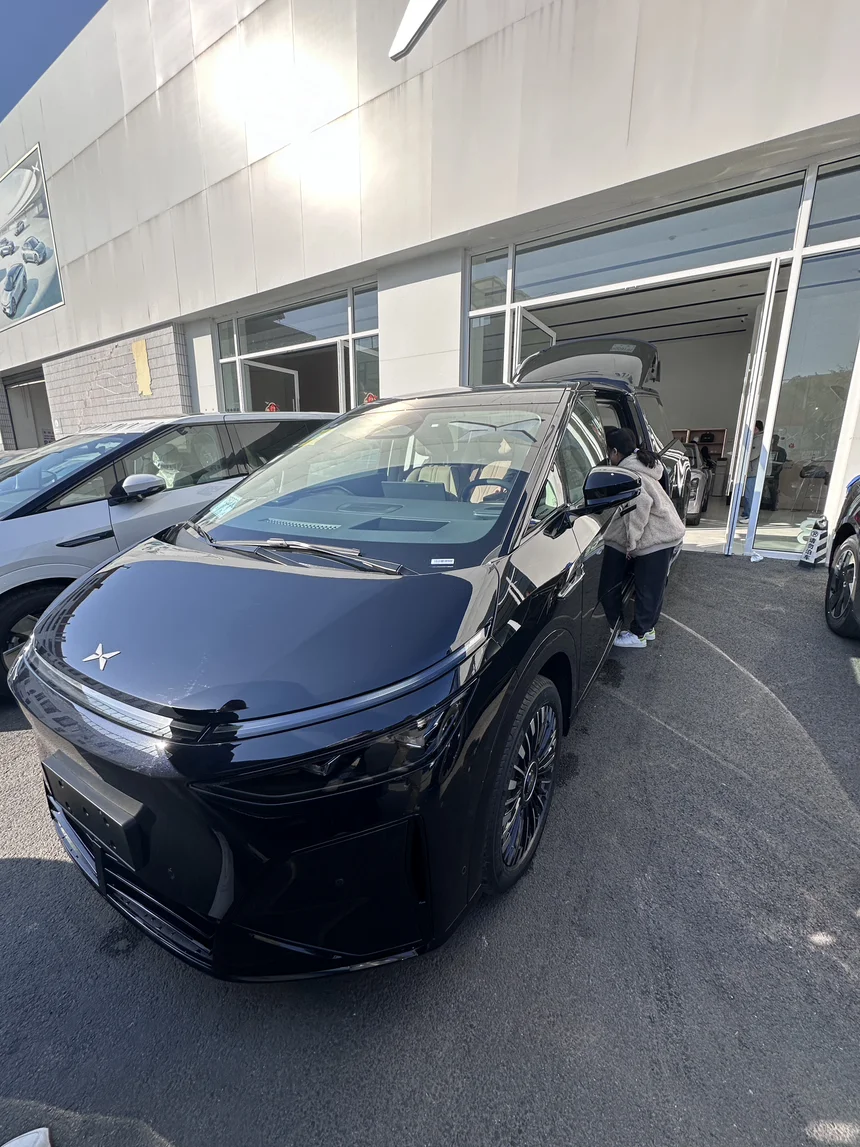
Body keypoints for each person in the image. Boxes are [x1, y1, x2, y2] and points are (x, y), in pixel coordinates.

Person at [598, 427, 687, 649]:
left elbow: (639, 507)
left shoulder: (630, 474)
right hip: (665, 531)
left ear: (615, 452)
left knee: (648, 587)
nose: (608, 457)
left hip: (658, 536)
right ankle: (648, 629)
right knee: (654, 587)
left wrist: (632, 544)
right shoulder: (640, 465)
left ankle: (639, 635)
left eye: (608, 452)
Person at [740, 419, 764, 520]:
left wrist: (743, 458)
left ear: (756, 428)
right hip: (752, 470)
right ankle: (747, 513)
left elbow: (754, 454)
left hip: (753, 471)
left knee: (750, 494)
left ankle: (749, 515)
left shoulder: (759, 439)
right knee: (749, 493)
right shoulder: (756, 438)